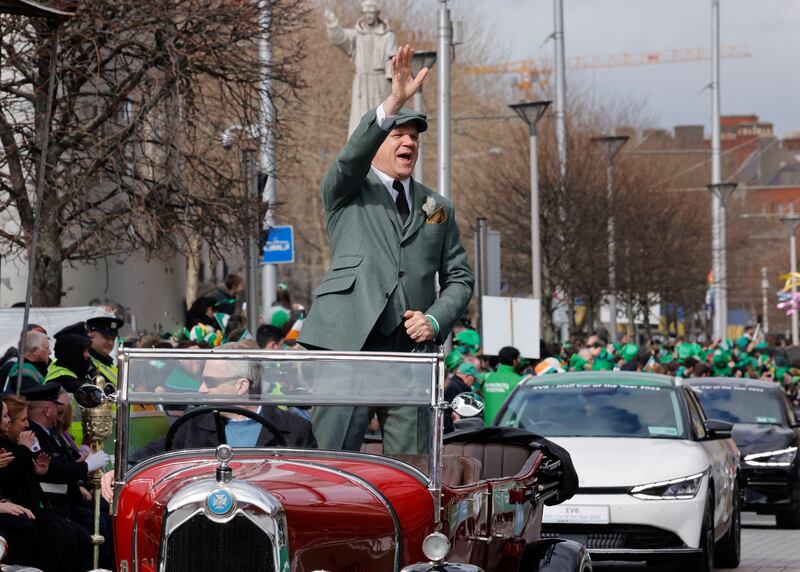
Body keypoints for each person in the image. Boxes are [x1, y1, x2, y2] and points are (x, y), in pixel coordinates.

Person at [299, 45, 474, 455]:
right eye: (398, 135)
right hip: (349, 345)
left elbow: (460, 278)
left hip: (410, 354)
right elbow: (348, 160)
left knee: (410, 467)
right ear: (378, 142)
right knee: (331, 462)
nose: (408, 143)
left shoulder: (438, 207)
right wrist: (394, 103)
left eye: (414, 138)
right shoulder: (346, 191)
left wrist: (434, 319)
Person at [0, 397, 90, 572]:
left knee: (71, 533)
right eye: (5, 417)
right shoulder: (11, 446)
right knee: (52, 532)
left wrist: (37, 471)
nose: (26, 425)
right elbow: (13, 469)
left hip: (34, 505)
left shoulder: (13, 443)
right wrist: (25, 450)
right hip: (20, 506)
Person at [324, 0, 397, 135]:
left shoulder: (387, 35)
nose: (369, 16)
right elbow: (340, 39)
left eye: (372, 12)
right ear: (362, 13)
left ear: (377, 13)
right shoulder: (356, 35)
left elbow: (392, 60)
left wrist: (393, 80)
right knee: (359, 119)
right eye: (366, 13)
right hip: (362, 82)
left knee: (381, 117)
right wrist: (332, 23)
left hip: (380, 82)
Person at [43, 323, 94, 393]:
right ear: (73, 352)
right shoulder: (68, 383)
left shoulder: (64, 366)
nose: (88, 355)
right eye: (85, 350)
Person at [482, 346, 523, 426]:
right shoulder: (518, 380)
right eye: (518, 359)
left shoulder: (488, 378)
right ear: (514, 361)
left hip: (488, 427)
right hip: (508, 428)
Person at [85, 316, 123, 387]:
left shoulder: (110, 364)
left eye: (113, 339)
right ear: (91, 336)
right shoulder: (84, 363)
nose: (111, 343)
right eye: (106, 337)